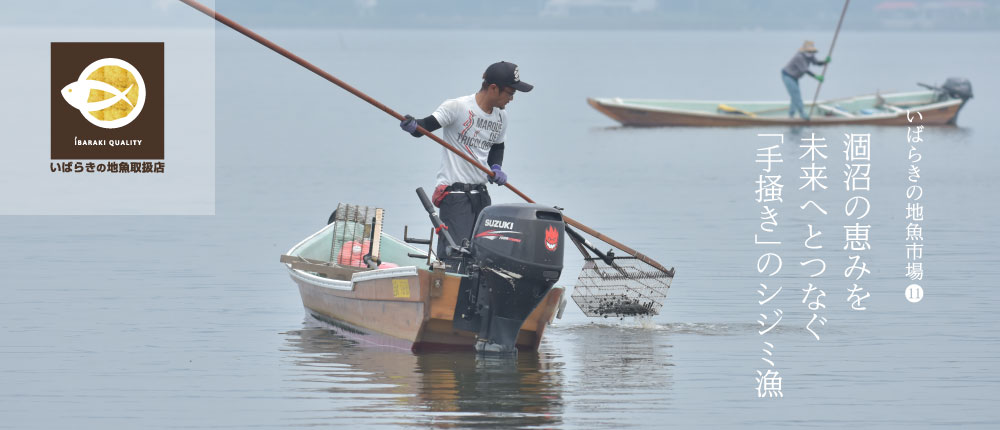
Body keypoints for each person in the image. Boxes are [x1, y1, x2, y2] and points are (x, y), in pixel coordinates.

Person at [400, 61, 533, 264]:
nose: (512, 98)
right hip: (455, 197)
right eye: (510, 92)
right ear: (493, 88)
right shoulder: (457, 107)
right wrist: (413, 125)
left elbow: (497, 147)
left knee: (483, 256)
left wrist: (496, 167)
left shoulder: (501, 117)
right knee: (455, 254)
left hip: (481, 196)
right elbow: (424, 127)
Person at [782, 40, 830, 120]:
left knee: (794, 96)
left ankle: (791, 115)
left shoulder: (810, 56)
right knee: (796, 95)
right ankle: (802, 114)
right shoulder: (799, 57)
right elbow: (805, 70)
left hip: (795, 77)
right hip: (788, 76)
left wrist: (825, 62)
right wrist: (816, 77)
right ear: (804, 50)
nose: (810, 53)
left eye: (811, 51)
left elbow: (816, 63)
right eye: (809, 51)